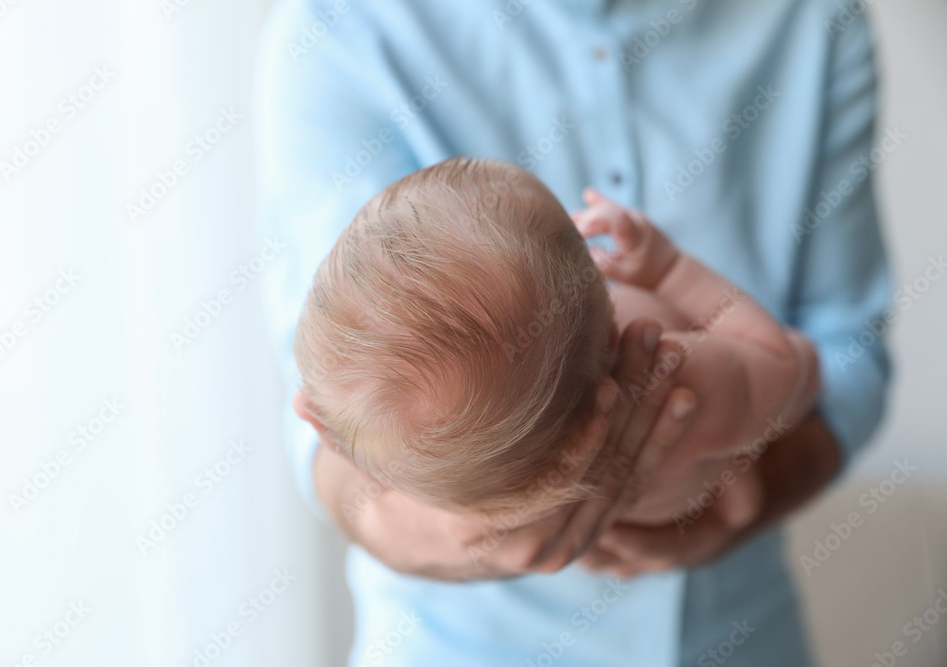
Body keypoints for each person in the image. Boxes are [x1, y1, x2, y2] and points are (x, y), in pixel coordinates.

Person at [256, 0, 891, 664]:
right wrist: (672, 272)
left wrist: (746, 503)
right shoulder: (340, 28)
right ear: (608, 322)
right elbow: (804, 368)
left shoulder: (812, 18)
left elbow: (856, 351)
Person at [291, 157, 819, 531]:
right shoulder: (672, 373)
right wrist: (671, 270)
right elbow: (787, 368)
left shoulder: (422, 470)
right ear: (609, 334)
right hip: (707, 493)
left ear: (326, 433)